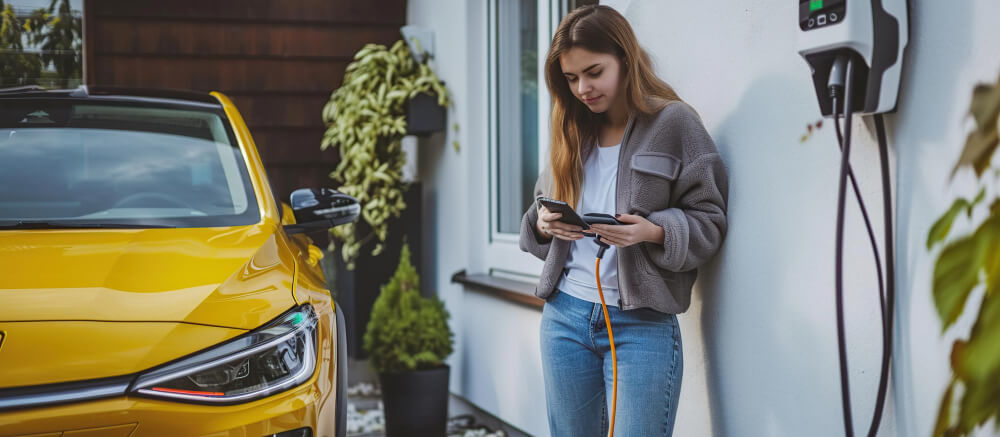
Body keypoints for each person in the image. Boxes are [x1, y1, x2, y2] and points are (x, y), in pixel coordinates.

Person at [518, 5, 729, 436]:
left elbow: (710, 219)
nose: (583, 88)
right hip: (564, 318)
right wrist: (543, 223)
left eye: (594, 72)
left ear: (625, 58)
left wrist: (653, 231)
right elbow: (541, 205)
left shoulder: (675, 123)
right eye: (572, 78)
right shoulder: (570, 128)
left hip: (642, 326)